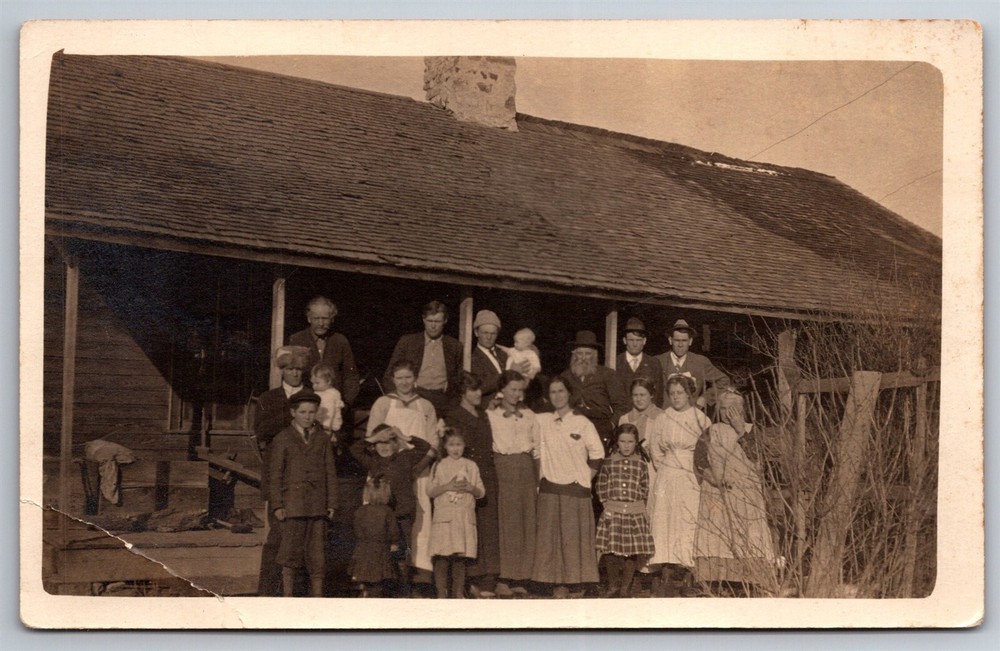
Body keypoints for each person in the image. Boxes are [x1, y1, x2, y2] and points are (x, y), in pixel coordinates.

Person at [694, 389, 777, 596]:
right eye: (723, 408)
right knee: (718, 535)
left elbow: (762, 460)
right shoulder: (709, 431)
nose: (728, 413)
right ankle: (717, 581)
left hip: (745, 493)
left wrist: (741, 431)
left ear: (742, 410)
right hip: (717, 493)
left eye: (734, 409)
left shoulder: (751, 431)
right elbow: (699, 461)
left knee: (747, 536)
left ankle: (748, 580)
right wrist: (712, 477)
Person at [368, 359, 440, 591]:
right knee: (387, 522)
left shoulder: (425, 406)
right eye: (400, 378)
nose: (404, 382)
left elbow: (432, 444)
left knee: (419, 521)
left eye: (408, 377)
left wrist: (417, 468)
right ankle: (385, 573)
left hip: (418, 471)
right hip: (388, 474)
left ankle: (418, 574)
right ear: (393, 380)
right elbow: (372, 437)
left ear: (415, 378)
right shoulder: (383, 403)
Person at [531, 376, 605, 598]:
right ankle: (556, 584)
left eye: (561, 391)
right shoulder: (542, 421)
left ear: (569, 394)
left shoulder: (582, 423)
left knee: (572, 539)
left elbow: (598, 454)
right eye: (553, 392)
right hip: (550, 489)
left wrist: (583, 477)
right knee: (550, 540)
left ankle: (576, 584)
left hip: (576, 491)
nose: (557, 396)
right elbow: (534, 448)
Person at [349, 423, 435, 597]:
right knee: (380, 553)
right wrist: (372, 438)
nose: (384, 447)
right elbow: (354, 450)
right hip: (380, 517)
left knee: (403, 553)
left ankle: (403, 592)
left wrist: (403, 436)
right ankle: (379, 590)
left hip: (402, 515)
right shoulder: (372, 460)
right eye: (380, 443)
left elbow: (425, 447)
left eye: (389, 442)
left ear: (396, 444)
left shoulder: (405, 457)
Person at [268, 389, 337, 597]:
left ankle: (317, 598)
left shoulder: (323, 438)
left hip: (317, 506)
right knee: (289, 553)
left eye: (312, 412)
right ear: (293, 413)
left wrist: (332, 503)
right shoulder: (283, 438)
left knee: (318, 555)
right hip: (293, 506)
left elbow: (330, 472)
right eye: (303, 412)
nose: (308, 417)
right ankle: (288, 598)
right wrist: (278, 505)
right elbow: (275, 475)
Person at [648, 375, 712, 597]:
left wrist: (696, 470)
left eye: (680, 393)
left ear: (689, 394)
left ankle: (688, 574)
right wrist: (664, 467)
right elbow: (655, 449)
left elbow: (707, 451)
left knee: (687, 520)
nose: (676, 397)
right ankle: (665, 572)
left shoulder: (701, 419)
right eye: (672, 394)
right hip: (666, 473)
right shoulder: (663, 418)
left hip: (690, 473)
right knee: (664, 519)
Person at [255, 344, 310, 596]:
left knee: (304, 536)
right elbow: (262, 431)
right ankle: (268, 592)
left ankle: (298, 593)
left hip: (305, 478)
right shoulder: (269, 398)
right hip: (278, 475)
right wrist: (291, 417)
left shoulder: (312, 396)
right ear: (282, 371)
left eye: (299, 369)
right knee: (277, 534)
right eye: (290, 369)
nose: (295, 373)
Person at [445, 372, 501, 598]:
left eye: (479, 389)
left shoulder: (483, 415)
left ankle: (488, 578)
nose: (478, 394)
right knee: (468, 524)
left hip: (486, 473)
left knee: (487, 525)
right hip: (466, 474)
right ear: (462, 392)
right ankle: (470, 579)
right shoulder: (454, 417)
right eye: (473, 390)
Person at [485, 370, 539, 597]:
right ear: (502, 390)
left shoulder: (529, 416)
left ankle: (521, 577)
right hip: (503, 468)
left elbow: (536, 449)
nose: (517, 394)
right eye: (512, 389)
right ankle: (503, 577)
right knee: (506, 523)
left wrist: (537, 479)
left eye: (520, 390)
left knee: (525, 521)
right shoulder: (491, 414)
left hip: (525, 469)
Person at [596, 424, 656, 598]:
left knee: (631, 550)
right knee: (610, 549)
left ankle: (625, 588)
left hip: (633, 511)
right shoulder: (609, 463)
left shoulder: (641, 465)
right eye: (622, 441)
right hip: (613, 511)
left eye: (630, 442)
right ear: (617, 442)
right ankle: (613, 585)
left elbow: (645, 487)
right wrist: (606, 504)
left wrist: (639, 507)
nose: (626, 445)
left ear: (636, 443)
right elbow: (601, 485)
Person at [427, 429, 486, 598]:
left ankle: (458, 592)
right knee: (442, 557)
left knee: (460, 558)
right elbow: (430, 491)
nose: (455, 448)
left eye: (459, 444)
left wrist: (471, 488)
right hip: (445, 518)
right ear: (445, 446)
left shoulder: (471, 465)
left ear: (464, 446)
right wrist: (447, 487)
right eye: (451, 444)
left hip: (463, 518)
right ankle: (441, 593)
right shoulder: (439, 465)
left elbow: (481, 491)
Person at [384, 300, 463, 416]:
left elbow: (460, 378)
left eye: (437, 321)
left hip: (443, 401)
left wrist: (453, 402)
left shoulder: (454, 346)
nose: (433, 325)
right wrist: (400, 400)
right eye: (430, 321)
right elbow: (389, 375)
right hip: (413, 397)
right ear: (423, 319)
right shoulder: (407, 342)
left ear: (445, 321)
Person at [559, 330, 631, 451]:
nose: (583, 358)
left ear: (594, 355)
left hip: (600, 430)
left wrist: (610, 425)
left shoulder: (607, 375)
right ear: (574, 354)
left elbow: (622, 406)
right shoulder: (565, 377)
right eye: (579, 353)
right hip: (572, 431)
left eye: (588, 353)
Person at [288, 296, 361, 407]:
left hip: (334, 404)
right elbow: (291, 375)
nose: (321, 323)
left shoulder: (340, 341)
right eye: (316, 318)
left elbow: (351, 376)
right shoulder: (297, 339)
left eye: (325, 318)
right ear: (309, 319)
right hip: (305, 405)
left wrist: (345, 403)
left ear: (332, 319)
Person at [656, 319, 729, 409]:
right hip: (664, 414)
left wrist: (704, 398)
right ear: (670, 340)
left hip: (690, 415)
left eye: (684, 340)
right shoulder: (658, 361)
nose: (680, 344)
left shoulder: (700, 362)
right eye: (677, 340)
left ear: (690, 341)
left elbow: (724, 381)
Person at [349, 475, 400, 598]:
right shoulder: (387, 511)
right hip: (380, 550)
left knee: (364, 576)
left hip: (363, 549)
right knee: (378, 580)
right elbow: (393, 530)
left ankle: (364, 592)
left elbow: (356, 530)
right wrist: (394, 543)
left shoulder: (360, 511)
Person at [614, 318, 663, 409]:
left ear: (644, 341)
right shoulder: (615, 362)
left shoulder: (654, 363)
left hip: (648, 418)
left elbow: (658, 396)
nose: (635, 344)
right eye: (631, 340)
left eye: (638, 340)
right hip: (622, 418)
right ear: (625, 340)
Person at [469, 309, 508, 404]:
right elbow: (479, 386)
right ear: (476, 333)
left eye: (493, 333)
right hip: (487, 406)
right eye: (485, 333)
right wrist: (507, 375)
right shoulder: (472, 358)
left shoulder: (504, 354)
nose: (489, 337)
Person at [310, 362, 344, 436]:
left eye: (317, 383)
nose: (314, 386)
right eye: (313, 383)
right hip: (319, 425)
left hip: (328, 428)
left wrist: (326, 429)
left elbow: (329, 414)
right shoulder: (321, 391)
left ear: (329, 381)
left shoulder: (329, 395)